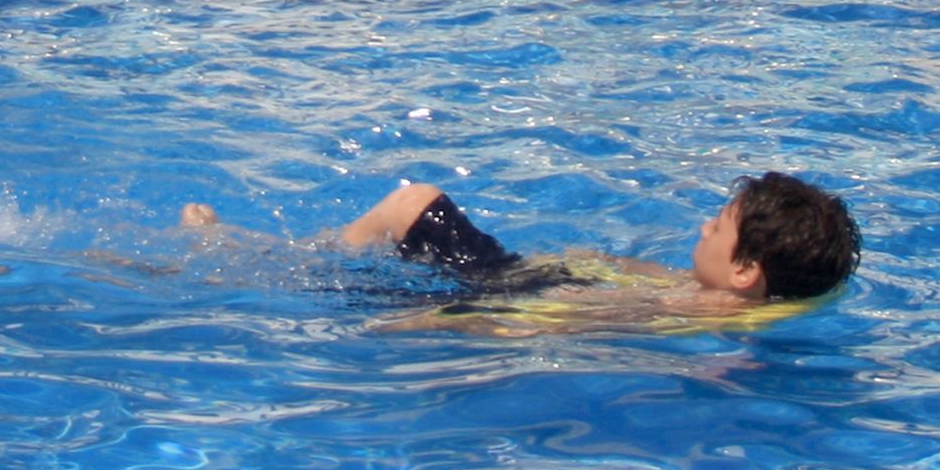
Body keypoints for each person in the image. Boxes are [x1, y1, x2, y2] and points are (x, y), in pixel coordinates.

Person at [183, 171, 861, 323]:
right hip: (522, 278)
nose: (703, 229)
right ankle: (258, 249)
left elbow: (573, 320)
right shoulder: (722, 295)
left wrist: (442, 324)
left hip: (497, 296)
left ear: (746, 270)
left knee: (408, 207)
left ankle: (225, 259)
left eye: (718, 226)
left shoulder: (706, 313)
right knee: (410, 205)